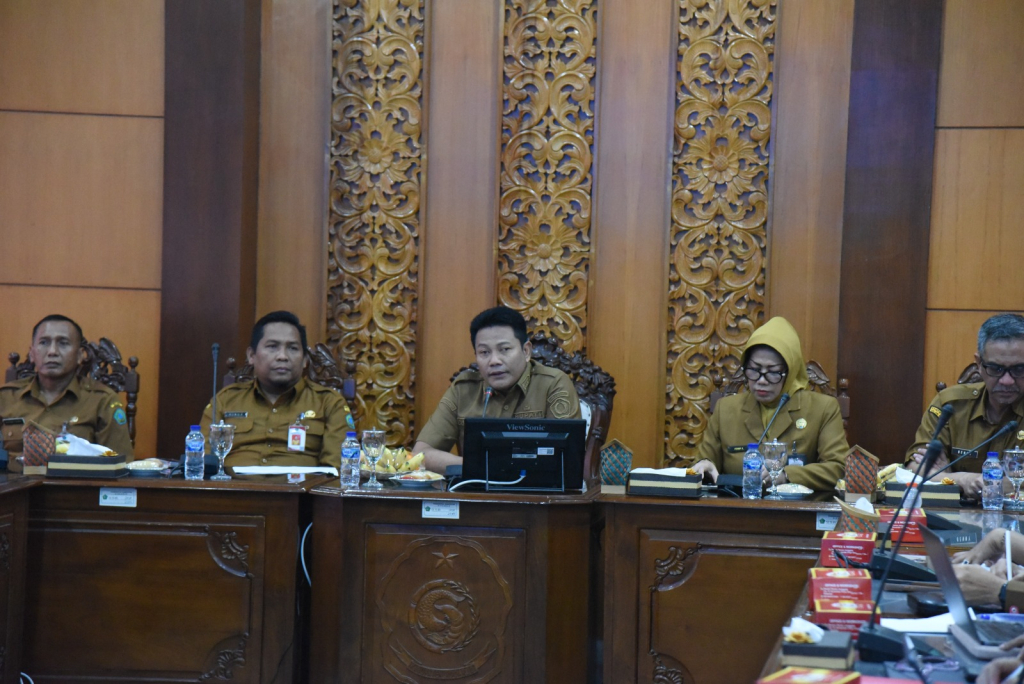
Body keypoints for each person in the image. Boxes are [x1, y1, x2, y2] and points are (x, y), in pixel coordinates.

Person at [414, 306, 582, 473]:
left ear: (526, 351)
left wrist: (491, 466)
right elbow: (420, 455)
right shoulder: (463, 390)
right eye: (484, 352)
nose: (494, 361)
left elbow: (566, 459)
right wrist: (480, 465)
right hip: (476, 495)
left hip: (535, 495)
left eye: (505, 350)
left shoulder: (553, 385)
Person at [690, 316, 849, 491]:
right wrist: (705, 464)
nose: (761, 381)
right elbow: (705, 459)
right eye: (754, 370)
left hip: (799, 512)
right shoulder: (726, 409)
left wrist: (787, 475)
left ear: (791, 371)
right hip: (738, 509)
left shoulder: (823, 408)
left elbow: (839, 467)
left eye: (773, 372)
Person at [200, 311, 354, 471]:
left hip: (300, 494)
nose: (282, 356)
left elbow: (336, 471)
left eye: (293, 348)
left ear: (305, 360)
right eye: (272, 347)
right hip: (234, 493)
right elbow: (201, 462)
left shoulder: (329, 403)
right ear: (252, 355)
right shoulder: (226, 400)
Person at [907, 313, 1024, 497]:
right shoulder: (950, 405)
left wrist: (946, 476)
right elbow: (915, 467)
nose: (1007, 381)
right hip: (955, 519)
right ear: (979, 364)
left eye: (1019, 369)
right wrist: (962, 480)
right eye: (996, 369)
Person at [0, 314, 135, 470]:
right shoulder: (6, 397)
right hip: (15, 490)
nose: (52, 351)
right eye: (44, 343)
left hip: (76, 491)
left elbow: (119, 466)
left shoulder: (102, 401)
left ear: (79, 355)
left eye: (63, 343)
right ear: (32, 354)